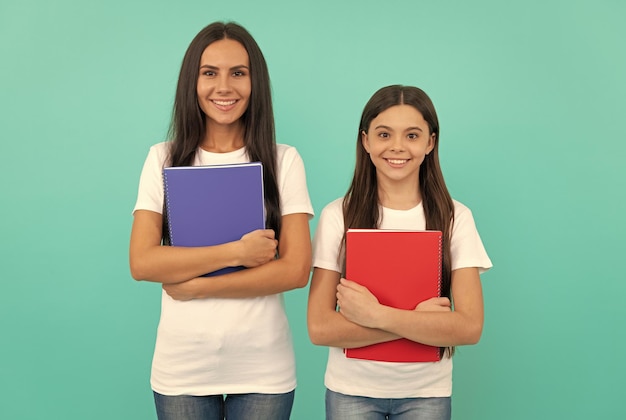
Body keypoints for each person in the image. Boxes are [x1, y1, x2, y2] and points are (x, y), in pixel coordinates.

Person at [129, 21, 313, 420]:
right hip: (182, 368)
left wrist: (196, 288)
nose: (224, 87)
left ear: (255, 82)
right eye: (209, 73)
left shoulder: (284, 161)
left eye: (238, 73)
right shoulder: (163, 158)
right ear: (191, 82)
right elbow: (143, 262)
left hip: (264, 368)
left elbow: (297, 270)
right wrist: (238, 252)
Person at [307, 85, 492, 420]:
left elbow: (469, 327)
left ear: (430, 142)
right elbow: (319, 327)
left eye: (412, 135)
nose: (397, 147)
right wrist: (421, 322)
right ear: (365, 141)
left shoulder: (455, 218)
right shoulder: (338, 215)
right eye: (383, 134)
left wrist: (375, 315)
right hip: (351, 392)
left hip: (426, 394)